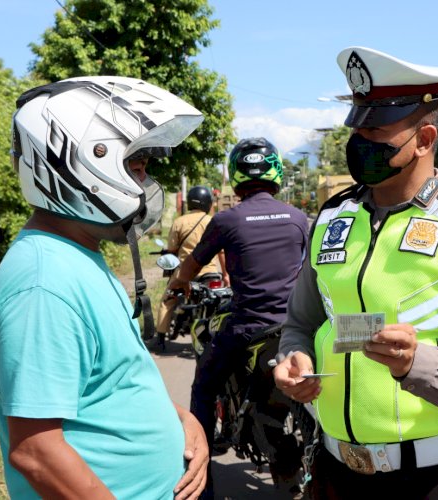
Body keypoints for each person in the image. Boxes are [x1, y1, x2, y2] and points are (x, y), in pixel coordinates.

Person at [273, 46, 438, 499]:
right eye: (357, 126)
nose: (358, 141)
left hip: (431, 478)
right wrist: (294, 358)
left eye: (375, 129)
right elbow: (302, 322)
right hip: (334, 472)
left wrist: (419, 365)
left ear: (425, 139)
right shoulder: (334, 218)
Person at [0, 76, 208, 499]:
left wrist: (180, 420)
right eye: (134, 168)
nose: (144, 185)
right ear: (86, 163)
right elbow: (36, 450)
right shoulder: (43, 283)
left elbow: (105, 383)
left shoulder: (76, 254)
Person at [169, 137, 309, 499]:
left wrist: (178, 284)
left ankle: (203, 484)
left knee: (202, 387)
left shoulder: (227, 219)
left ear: (236, 174)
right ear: (276, 170)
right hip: (295, 329)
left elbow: (192, 265)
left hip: (248, 327)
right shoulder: (297, 218)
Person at [155, 185, 226, 338]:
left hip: (184, 273)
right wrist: (226, 275)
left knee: (167, 300)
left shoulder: (179, 222)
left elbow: (172, 249)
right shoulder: (214, 221)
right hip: (210, 273)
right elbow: (221, 251)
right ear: (208, 203)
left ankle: (160, 338)